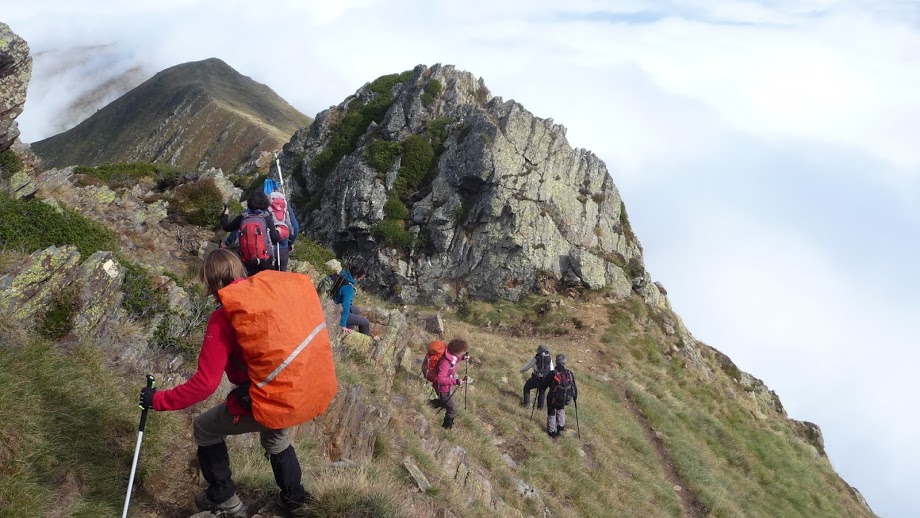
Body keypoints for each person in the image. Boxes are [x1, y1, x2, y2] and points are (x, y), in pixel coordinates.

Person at [138, 250, 312, 516]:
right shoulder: (266, 297)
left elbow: (205, 385)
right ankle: (294, 499)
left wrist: (157, 400)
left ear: (209, 280)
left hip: (265, 398)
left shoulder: (224, 317)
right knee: (277, 439)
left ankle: (225, 500)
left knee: (205, 428)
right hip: (294, 389)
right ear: (238, 269)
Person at [221, 191, 281, 276]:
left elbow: (226, 227)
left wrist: (226, 214)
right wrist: (278, 231)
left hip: (247, 259)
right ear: (265, 202)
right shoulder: (266, 217)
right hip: (265, 259)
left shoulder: (243, 217)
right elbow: (275, 239)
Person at [433, 338, 470, 430]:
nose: (461, 353)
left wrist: (462, 358)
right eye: (460, 352)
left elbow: (453, 360)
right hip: (443, 389)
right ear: (456, 350)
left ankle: (427, 404)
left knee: (445, 403)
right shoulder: (445, 362)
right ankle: (446, 428)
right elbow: (440, 380)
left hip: (447, 388)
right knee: (452, 409)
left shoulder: (450, 355)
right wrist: (456, 381)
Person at [546, 354, 578, 438]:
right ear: (565, 362)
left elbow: (544, 384)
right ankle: (561, 428)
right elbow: (574, 386)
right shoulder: (569, 373)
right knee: (561, 408)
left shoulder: (553, 373)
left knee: (551, 411)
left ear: (556, 362)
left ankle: (551, 431)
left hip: (553, 397)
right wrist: (574, 398)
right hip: (565, 397)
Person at [333, 266, 371, 336]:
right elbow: (345, 306)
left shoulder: (342, 277)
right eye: (360, 278)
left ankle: (349, 331)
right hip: (337, 312)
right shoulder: (348, 288)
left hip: (333, 304)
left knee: (356, 310)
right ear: (356, 276)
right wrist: (343, 324)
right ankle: (365, 341)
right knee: (365, 322)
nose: (359, 280)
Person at [520, 344, 553, 409]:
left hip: (536, 378)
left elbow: (526, 368)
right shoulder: (549, 359)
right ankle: (540, 408)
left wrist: (520, 371)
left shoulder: (536, 359)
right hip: (545, 379)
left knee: (527, 387)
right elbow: (552, 369)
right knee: (542, 392)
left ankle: (527, 404)